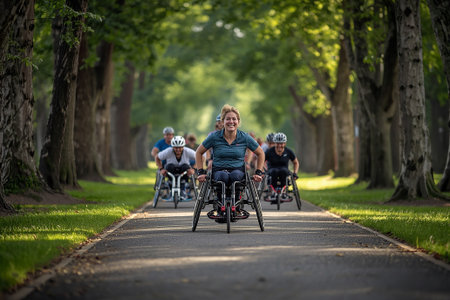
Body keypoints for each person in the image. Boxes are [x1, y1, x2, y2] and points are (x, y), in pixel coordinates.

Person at [195, 104, 265, 188]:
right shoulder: (214, 137)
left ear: (238, 122)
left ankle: (237, 197)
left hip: (238, 170)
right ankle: (220, 197)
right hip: (218, 171)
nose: (231, 122)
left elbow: (260, 153)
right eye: (227, 119)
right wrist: (200, 172)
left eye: (234, 119)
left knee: (235, 176)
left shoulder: (245, 137)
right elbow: (199, 152)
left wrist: (258, 172)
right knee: (222, 176)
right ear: (223, 122)